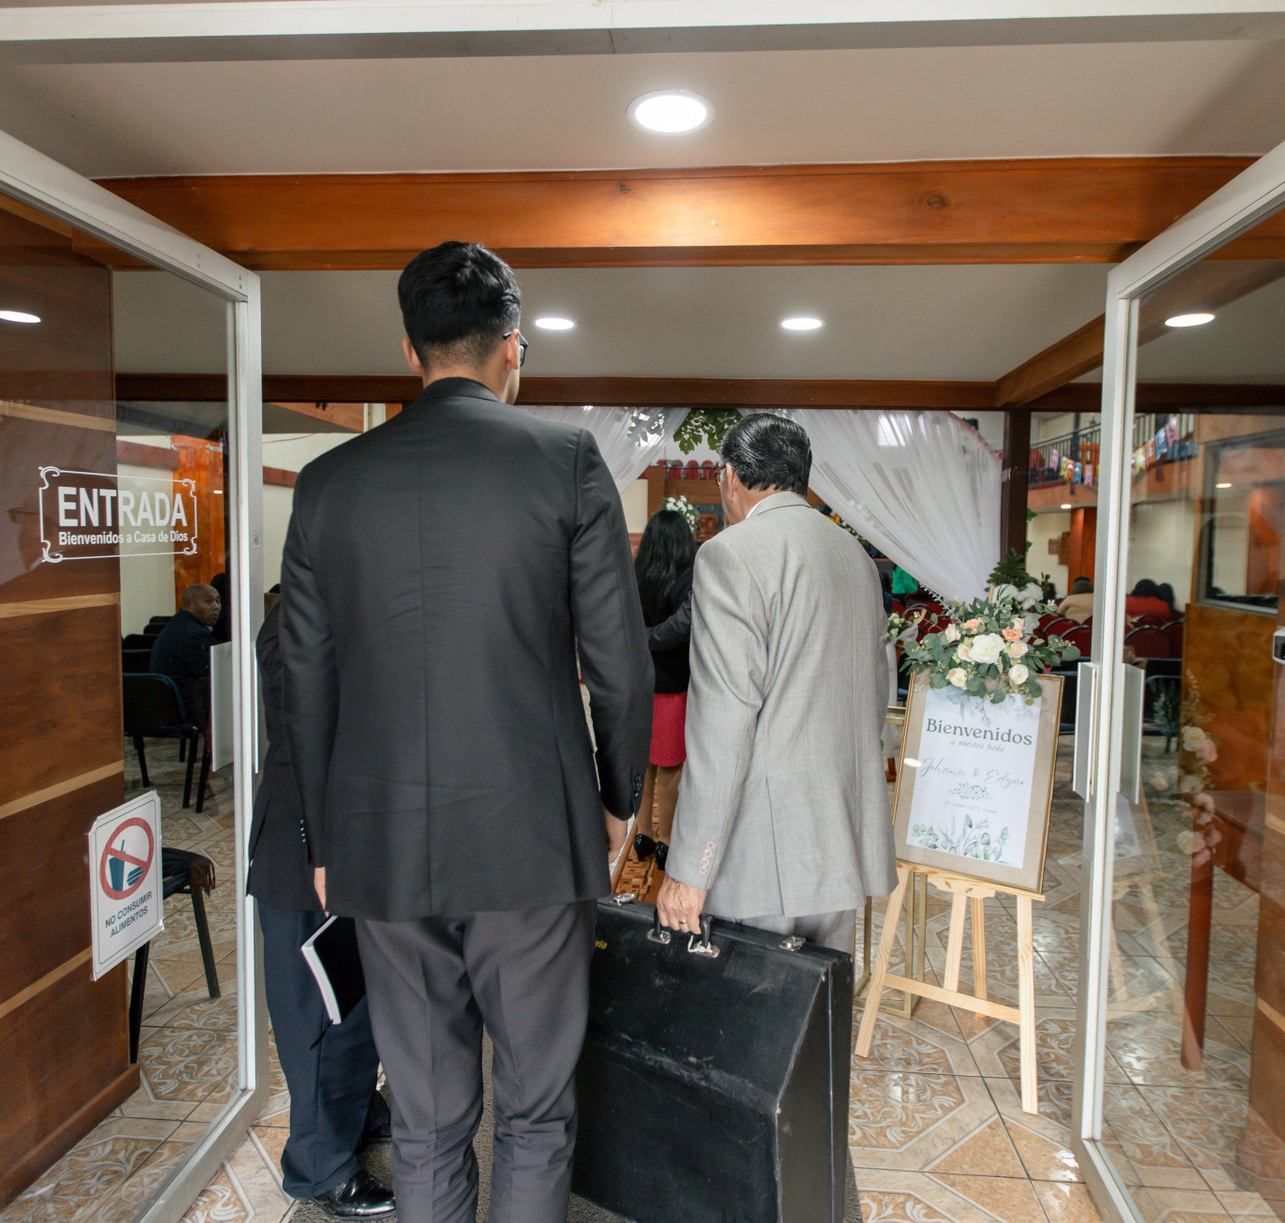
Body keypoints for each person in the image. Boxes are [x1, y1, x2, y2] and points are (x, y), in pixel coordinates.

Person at [280, 240, 653, 1223]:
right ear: (513, 348)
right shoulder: (566, 463)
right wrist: (619, 800)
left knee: (427, 1120)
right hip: (533, 835)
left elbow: (305, 681)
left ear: (410, 351)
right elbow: (621, 665)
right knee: (535, 1113)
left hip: (380, 841)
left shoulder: (328, 483)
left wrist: (322, 840)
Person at [655, 413, 897, 955]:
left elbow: (723, 720)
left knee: (747, 1002)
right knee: (818, 1000)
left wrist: (691, 866)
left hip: (761, 849)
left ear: (731, 477)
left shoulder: (730, 554)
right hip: (843, 839)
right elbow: (875, 689)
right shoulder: (855, 557)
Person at [248, 597, 395, 1217]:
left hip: (348, 844)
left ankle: (358, 1114)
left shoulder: (343, 605)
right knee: (317, 1018)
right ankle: (319, 1167)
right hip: (305, 851)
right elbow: (309, 734)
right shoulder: (298, 618)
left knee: (354, 1007)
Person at [634, 508, 696, 868]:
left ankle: (642, 834)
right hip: (673, 683)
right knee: (670, 766)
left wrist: (639, 638)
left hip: (640, 683)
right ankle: (666, 841)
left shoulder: (636, 574)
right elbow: (683, 626)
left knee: (644, 763)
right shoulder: (685, 578)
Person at [149, 582, 219, 721]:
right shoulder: (193, 633)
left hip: (170, 705)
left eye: (218, 601)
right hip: (186, 707)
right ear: (188, 605)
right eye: (208, 601)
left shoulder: (180, 624)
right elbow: (217, 673)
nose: (216, 607)